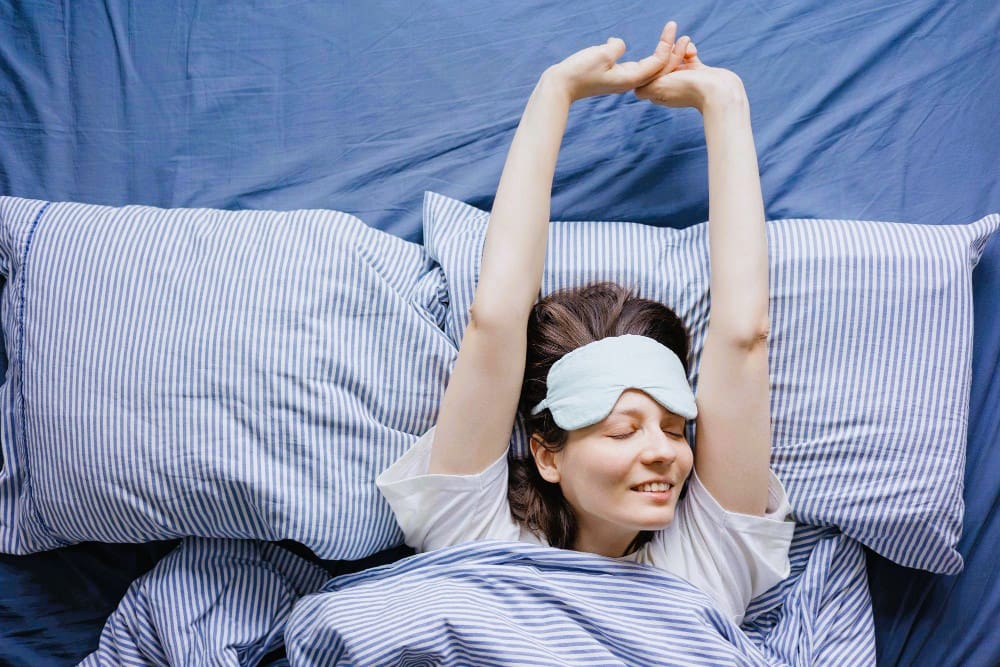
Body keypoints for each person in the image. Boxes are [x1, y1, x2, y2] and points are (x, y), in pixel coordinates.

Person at [377, 20, 795, 626]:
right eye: (623, 431)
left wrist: (724, 100)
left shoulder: (709, 562)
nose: (663, 453)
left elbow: (744, 338)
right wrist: (555, 91)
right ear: (547, 455)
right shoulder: (478, 537)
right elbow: (493, 320)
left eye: (677, 430)